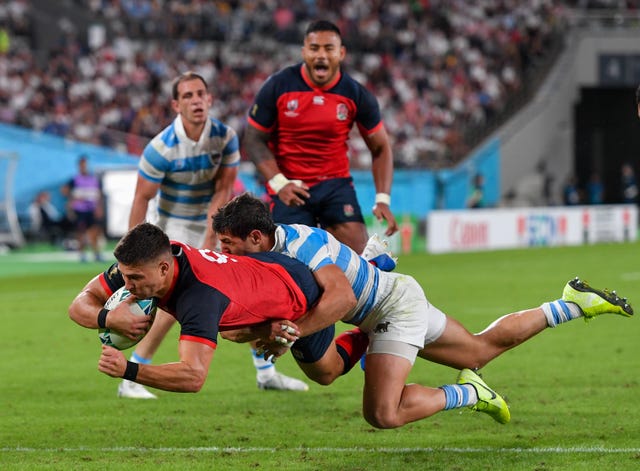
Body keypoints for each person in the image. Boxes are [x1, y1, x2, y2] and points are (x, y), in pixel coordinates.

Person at [213, 193, 634, 429]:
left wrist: (290, 332)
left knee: (382, 413)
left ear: (255, 236)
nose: (223, 253)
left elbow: (339, 300)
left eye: (228, 245)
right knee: (478, 352)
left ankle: (468, 393)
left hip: (393, 308)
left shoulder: (301, 246)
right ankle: (571, 304)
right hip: (392, 298)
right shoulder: (271, 250)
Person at [70, 222, 513, 430]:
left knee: (329, 375)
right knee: (252, 339)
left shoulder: (199, 297)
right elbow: (79, 304)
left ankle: (464, 389)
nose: (127, 286)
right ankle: (372, 272)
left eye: (135, 280)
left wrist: (128, 369)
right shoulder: (152, 259)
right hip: (259, 286)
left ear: (166, 269)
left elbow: (193, 377)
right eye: (123, 278)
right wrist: (109, 316)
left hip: (298, 296)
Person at [118, 71, 308, 400]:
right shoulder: (160, 148)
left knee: (244, 286)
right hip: (171, 228)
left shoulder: (225, 137)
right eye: (188, 96)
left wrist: (211, 237)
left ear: (210, 100)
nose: (196, 101)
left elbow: (223, 189)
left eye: (200, 94)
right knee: (170, 305)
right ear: (176, 105)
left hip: (212, 222)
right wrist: (133, 250)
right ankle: (133, 374)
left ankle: (266, 373)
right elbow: (141, 198)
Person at [243, 20, 398, 255]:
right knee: (289, 269)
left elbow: (381, 148)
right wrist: (278, 183)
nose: (321, 55)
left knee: (360, 260)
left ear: (341, 53)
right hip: (290, 185)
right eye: (315, 48)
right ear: (304, 51)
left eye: (329, 48)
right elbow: (253, 138)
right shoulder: (278, 85)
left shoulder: (356, 94)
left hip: (334, 185)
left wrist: (383, 198)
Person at [60, 155, 105, 262]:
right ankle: (82, 254)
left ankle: (96, 253)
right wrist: (72, 198)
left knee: (94, 231)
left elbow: (99, 195)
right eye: (82, 164)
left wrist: (99, 207)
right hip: (80, 209)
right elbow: (64, 191)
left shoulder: (94, 179)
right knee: (81, 232)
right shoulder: (75, 179)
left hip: (92, 209)